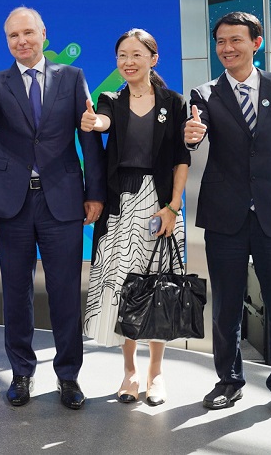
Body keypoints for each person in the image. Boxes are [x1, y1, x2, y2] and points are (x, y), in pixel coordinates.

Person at [0, 7, 104, 410]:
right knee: (15, 291)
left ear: (43, 32)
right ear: (6, 41)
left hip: (62, 198)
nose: (21, 41)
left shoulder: (72, 77)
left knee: (65, 292)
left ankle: (68, 376)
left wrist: (95, 192)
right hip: (14, 202)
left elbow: (88, 134)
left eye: (27, 32)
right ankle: (21, 372)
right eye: (13, 36)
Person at [184, 11, 271, 421]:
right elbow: (194, 135)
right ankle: (229, 381)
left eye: (235, 40)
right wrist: (191, 137)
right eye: (220, 41)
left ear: (256, 42)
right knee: (226, 307)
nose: (227, 48)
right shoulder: (205, 93)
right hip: (226, 216)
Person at [79, 29, 189, 406]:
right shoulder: (110, 99)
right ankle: (129, 372)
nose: (128, 61)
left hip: (159, 204)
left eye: (136, 54)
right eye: (122, 55)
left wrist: (173, 206)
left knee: (157, 288)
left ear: (153, 59)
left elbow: (181, 159)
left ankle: (156, 374)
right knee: (124, 289)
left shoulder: (174, 103)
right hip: (120, 204)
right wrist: (95, 123)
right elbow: (105, 121)